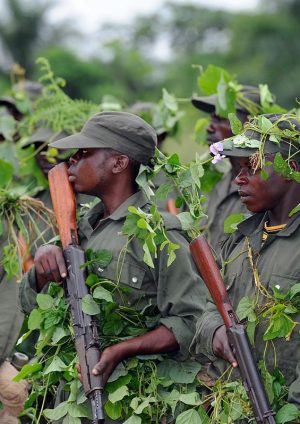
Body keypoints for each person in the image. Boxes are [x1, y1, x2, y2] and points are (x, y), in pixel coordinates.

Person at [19, 111, 206, 421]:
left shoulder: (160, 234)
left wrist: (122, 350)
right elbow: (28, 305)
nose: (71, 163)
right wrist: (41, 268)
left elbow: (190, 321)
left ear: (119, 163)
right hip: (73, 399)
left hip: (138, 402)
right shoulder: (79, 228)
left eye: (84, 153)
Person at [190, 113, 300, 417]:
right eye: (237, 169)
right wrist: (214, 332)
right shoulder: (238, 240)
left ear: (289, 168)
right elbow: (204, 306)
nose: (238, 179)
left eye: (251, 167)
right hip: (230, 403)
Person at [191, 85, 278, 254]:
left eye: (220, 119)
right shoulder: (213, 184)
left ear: (249, 125)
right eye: (211, 119)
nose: (209, 127)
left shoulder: (267, 190)